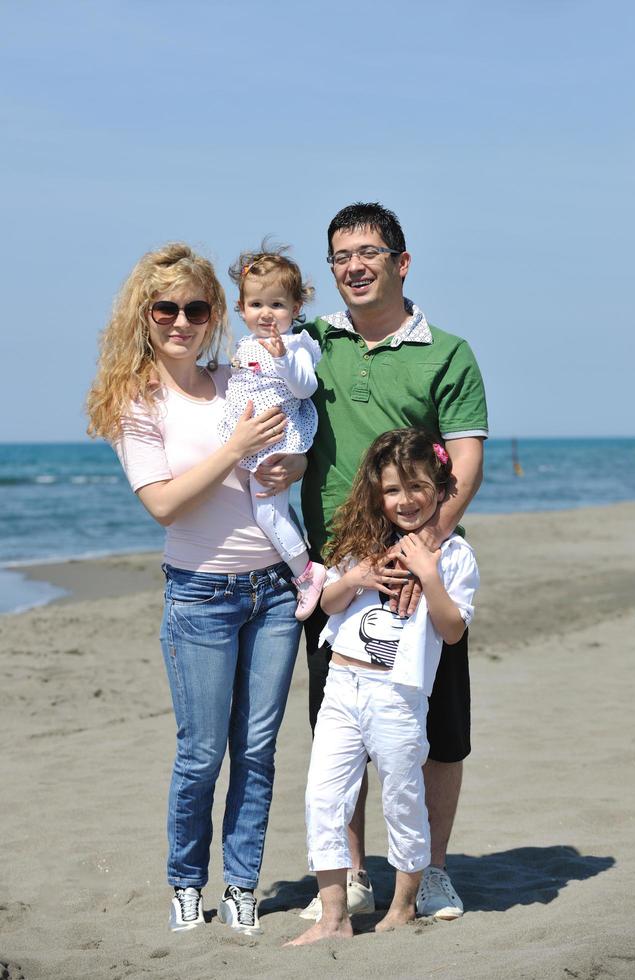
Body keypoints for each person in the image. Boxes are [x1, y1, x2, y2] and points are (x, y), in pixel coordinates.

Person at [86, 242, 303, 936]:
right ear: (144, 316)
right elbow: (164, 504)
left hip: (273, 591)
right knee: (202, 754)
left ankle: (241, 883)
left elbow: (290, 435)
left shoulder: (235, 380)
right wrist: (234, 450)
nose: (181, 320)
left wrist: (292, 463)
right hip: (200, 599)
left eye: (196, 307)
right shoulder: (135, 399)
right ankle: (187, 881)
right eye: (167, 308)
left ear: (215, 316)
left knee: (259, 750)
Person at [295, 202, 488, 922]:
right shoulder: (310, 344)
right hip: (341, 576)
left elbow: (464, 464)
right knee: (340, 728)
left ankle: (431, 872)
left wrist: (421, 554)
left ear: (401, 263)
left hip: (424, 569)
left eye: (369, 251)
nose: (354, 265)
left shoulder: (449, 351)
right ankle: (353, 874)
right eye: (341, 255)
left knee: (438, 731)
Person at [288, 429, 479, 946]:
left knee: (402, 797)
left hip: (398, 695)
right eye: (393, 490)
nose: (405, 500)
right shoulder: (360, 547)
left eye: (418, 487)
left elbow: (452, 629)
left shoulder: (454, 556)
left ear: (441, 489)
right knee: (323, 795)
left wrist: (427, 574)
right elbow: (327, 604)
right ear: (377, 494)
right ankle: (334, 917)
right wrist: (359, 578)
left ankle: (401, 906)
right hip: (341, 689)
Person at [219, 245, 325, 620]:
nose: (267, 314)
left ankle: (307, 573)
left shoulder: (295, 345)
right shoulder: (247, 343)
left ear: (296, 308)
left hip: (276, 441)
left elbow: (304, 388)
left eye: (277, 305)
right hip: (254, 440)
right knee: (267, 510)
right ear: (242, 308)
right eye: (257, 304)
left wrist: (283, 358)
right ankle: (300, 564)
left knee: (267, 514)